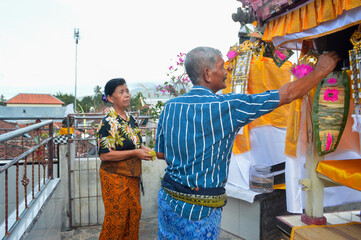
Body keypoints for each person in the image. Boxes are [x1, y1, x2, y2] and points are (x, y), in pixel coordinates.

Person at [154, 46, 340, 239]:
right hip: (200, 211)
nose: (226, 71)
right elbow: (287, 95)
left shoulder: (170, 106)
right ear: (207, 74)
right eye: (221, 66)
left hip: (168, 199)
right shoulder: (226, 107)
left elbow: (161, 153)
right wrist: (321, 71)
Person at [96, 78, 153, 240]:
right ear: (111, 98)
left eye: (127, 91)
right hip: (114, 177)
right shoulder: (108, 122)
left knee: (133, 215)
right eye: (121, 92)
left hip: (132, 176)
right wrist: (135, 153)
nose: (126, 95)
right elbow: (105, 155)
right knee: (116, 219)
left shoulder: (131, 118)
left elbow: (134, 144)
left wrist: (144, 149)